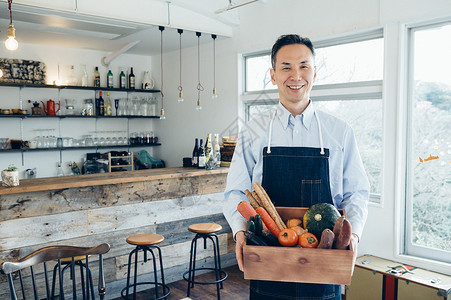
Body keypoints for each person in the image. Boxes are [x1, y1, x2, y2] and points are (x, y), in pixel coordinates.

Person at [223, 34, 370, 299]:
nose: (296, 75)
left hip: (325, 264)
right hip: (268, 261)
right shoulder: (253, 131)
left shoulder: (340, 131)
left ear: (315, 72)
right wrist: (240, 232)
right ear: (273, 75)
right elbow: (235, 192)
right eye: (286, 67)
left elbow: (357, 193)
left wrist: (354, 236)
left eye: (304, 66)